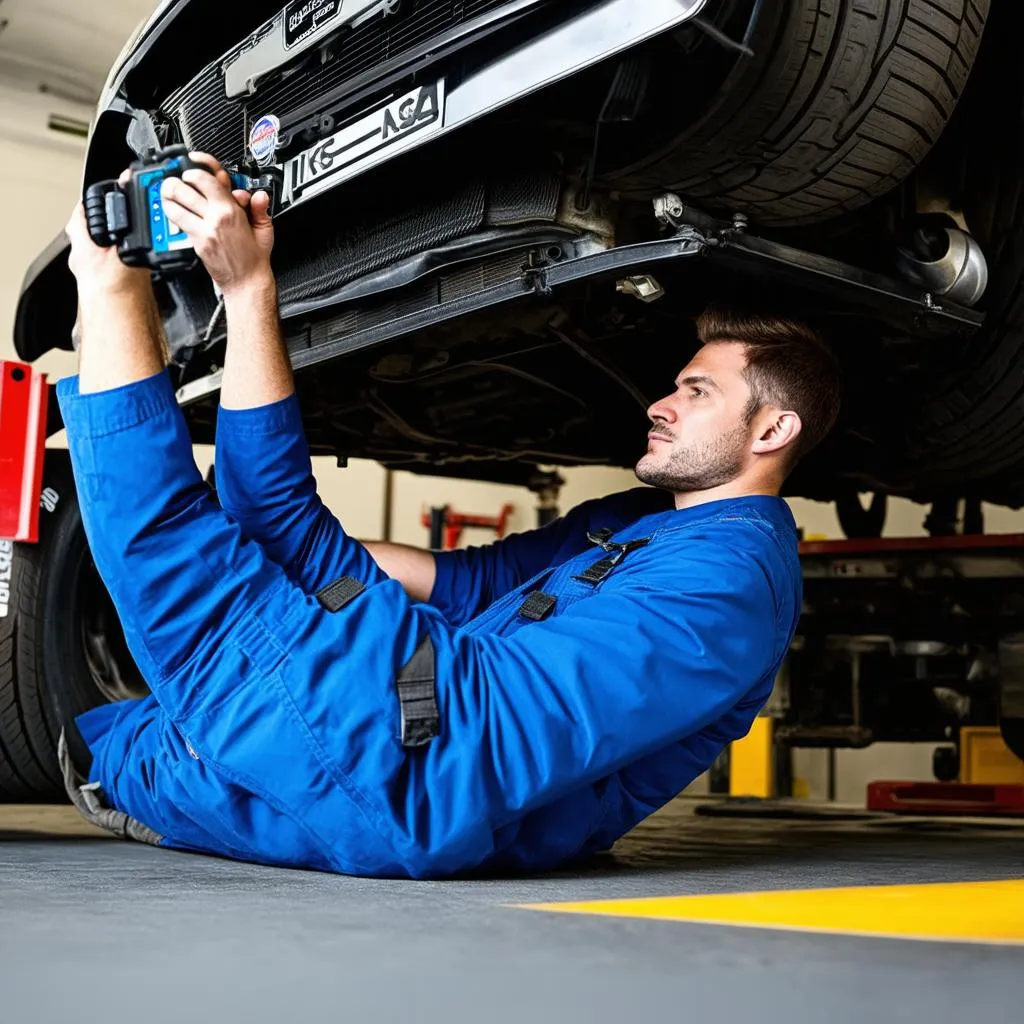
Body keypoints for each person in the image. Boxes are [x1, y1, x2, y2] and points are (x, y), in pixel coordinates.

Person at [57, 154, 841, 878]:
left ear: (773, 431)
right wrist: (249, 291)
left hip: (420, 774)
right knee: (242, 562)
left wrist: (112, 287)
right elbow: (454, 582)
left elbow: (489, 725)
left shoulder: (730, 586)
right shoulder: (641, 523)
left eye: (696, 393)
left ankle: (107, 282)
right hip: (411, 723)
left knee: (179, 565)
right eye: (676, 384)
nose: (660, 405)